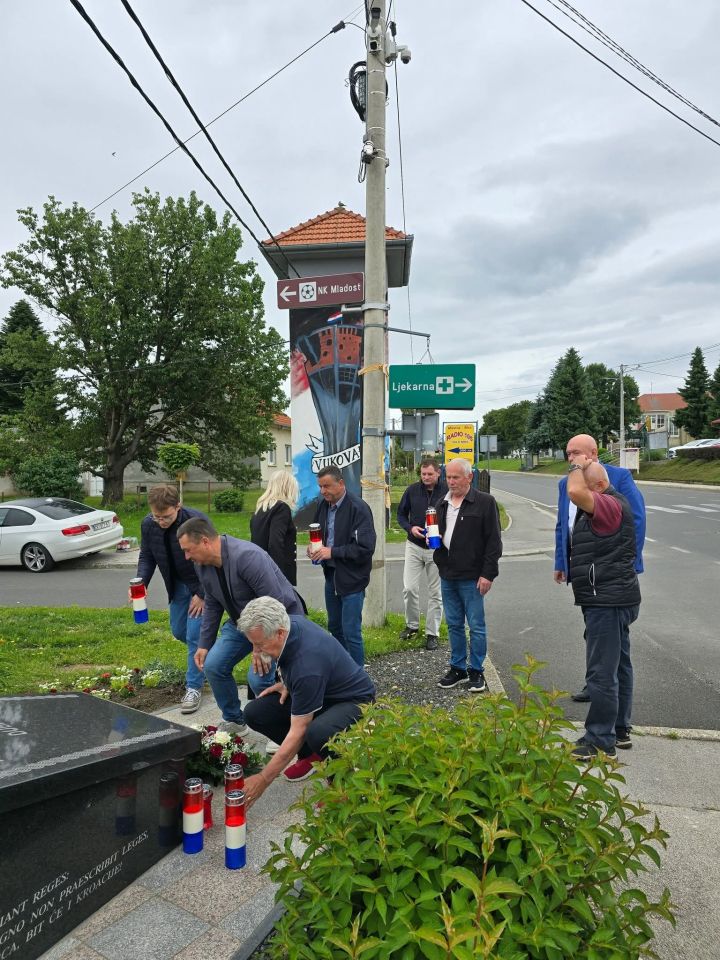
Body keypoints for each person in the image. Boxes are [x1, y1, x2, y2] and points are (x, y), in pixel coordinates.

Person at [177, 517, 305, 735]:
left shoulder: (248, 557)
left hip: (278, 622)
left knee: (258, 678)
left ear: (206, 542)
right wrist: (204, 644)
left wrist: (260, 647)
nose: (187, 557)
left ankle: (281, 729)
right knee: (213, 665)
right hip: (242, 622)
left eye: (189, 550)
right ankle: (234, 720)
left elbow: (274, 602)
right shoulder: (203, 566)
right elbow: (213, 603)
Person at [238, 596, 376, 796]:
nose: (257, 651)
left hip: (354, 700)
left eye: (260, 645)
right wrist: (287, 682)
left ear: (279, 633)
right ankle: (311, 756)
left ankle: (342, 784)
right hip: (319, 688)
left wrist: (263, 779)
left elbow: (299, 730)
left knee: (317, 732)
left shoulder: (306, 665)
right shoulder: (288, 623)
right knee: (255, 712)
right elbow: (298, 671)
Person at [554, 434, 646, 701]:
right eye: (568, 453)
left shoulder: (617, 477)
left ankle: (615, 715)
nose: (570, 458)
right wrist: (562, 561)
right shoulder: (566, 483)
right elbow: (564, 524)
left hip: (611, 574)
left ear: (593, 453)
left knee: (616, 645)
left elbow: (636, 520)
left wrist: (626, 560)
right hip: (585, 572)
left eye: (576, 452)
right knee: (594, 634)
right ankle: (595, 684)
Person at [564, 459, 641, 759]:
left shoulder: (607, 505)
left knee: (601, 672)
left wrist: (574, 467)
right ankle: (619, 728)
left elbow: (573, 490)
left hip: (607, 601)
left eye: (586, 483)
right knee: (618, 665)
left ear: (596, 486)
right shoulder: (607, 504)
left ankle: (599, 740)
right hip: (613, 597)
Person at [134, 484, 208, 714]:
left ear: (178, 506)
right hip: (176, 586)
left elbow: (214, 556)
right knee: (179, 632)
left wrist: (203, 594)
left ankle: (194, 688)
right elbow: (147, 555)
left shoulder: (196, 521)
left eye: (166, 516)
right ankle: (209, 655)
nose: (161, 521)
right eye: (157, 516)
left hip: (200, 587)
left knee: (195, 636)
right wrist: (140, 584)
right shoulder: (149, 524)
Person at [433, 458, 503, 692]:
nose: (451, 482)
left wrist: (488, 574)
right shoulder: (441, 503)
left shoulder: (484, 502)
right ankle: (457, 667)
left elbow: (494, 542)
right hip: (447, 573)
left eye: (456, 477)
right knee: (453, 624)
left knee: (476, 625)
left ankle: (476, 670)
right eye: (448, 477)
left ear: (469, 477)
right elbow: (436, 534)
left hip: (473, 576)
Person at [307, 465, 376, 667]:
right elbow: (318, 534)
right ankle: (342, 671)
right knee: (335, 627)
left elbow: (365, 548)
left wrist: (332, 552)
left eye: (327, 486)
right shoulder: (323, 506)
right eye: (320, 487)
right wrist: (313, 549)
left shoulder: (359, 508)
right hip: (331, 577)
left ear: (341, 483)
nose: (323, 491)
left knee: (351, 631)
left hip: (353, 579)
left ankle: (358, 678)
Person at [396, 459, 447, 650]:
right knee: (409, 588)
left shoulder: (446, 492)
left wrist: (444, 533)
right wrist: (410, 528)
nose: (426, 477)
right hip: (414, 546)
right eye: (423, 474)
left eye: (430, 474)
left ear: (438, 473)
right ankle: (412, 626)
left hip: (437, 548)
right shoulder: (411, 490)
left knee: (435, 592)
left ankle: (432, 633)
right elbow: (401, 515)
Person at [250, 471, 299, 586]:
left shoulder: (261, 509)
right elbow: (275, 543)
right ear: (287, 487)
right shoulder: (281, 508)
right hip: (275, 574)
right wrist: (279, 577)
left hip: (260, 568)